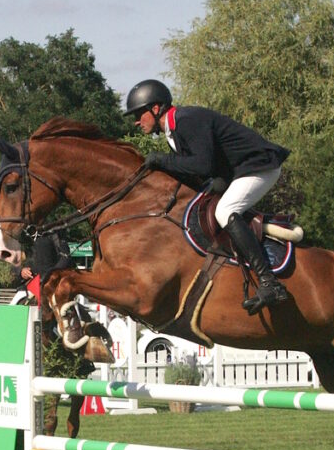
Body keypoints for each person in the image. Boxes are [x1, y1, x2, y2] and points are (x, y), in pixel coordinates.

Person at [124, 79, 291, 315]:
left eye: (140, 114)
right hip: (235, 171)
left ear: (155, 108)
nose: (136, 121)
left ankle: (269, 283)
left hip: (259, 166)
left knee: (225, 211)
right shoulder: (173, 130)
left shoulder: (186, 120)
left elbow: (201, 165)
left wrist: (162, 160)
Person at [19, 232, 91, 450]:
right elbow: (28, 261)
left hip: (59, 284)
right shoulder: (34, 232)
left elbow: (65, 258)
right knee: (22, 309)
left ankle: (87, 355)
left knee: (76, 315)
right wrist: (24, 270)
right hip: (41, 285)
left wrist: (50, 271)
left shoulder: (58, 235)